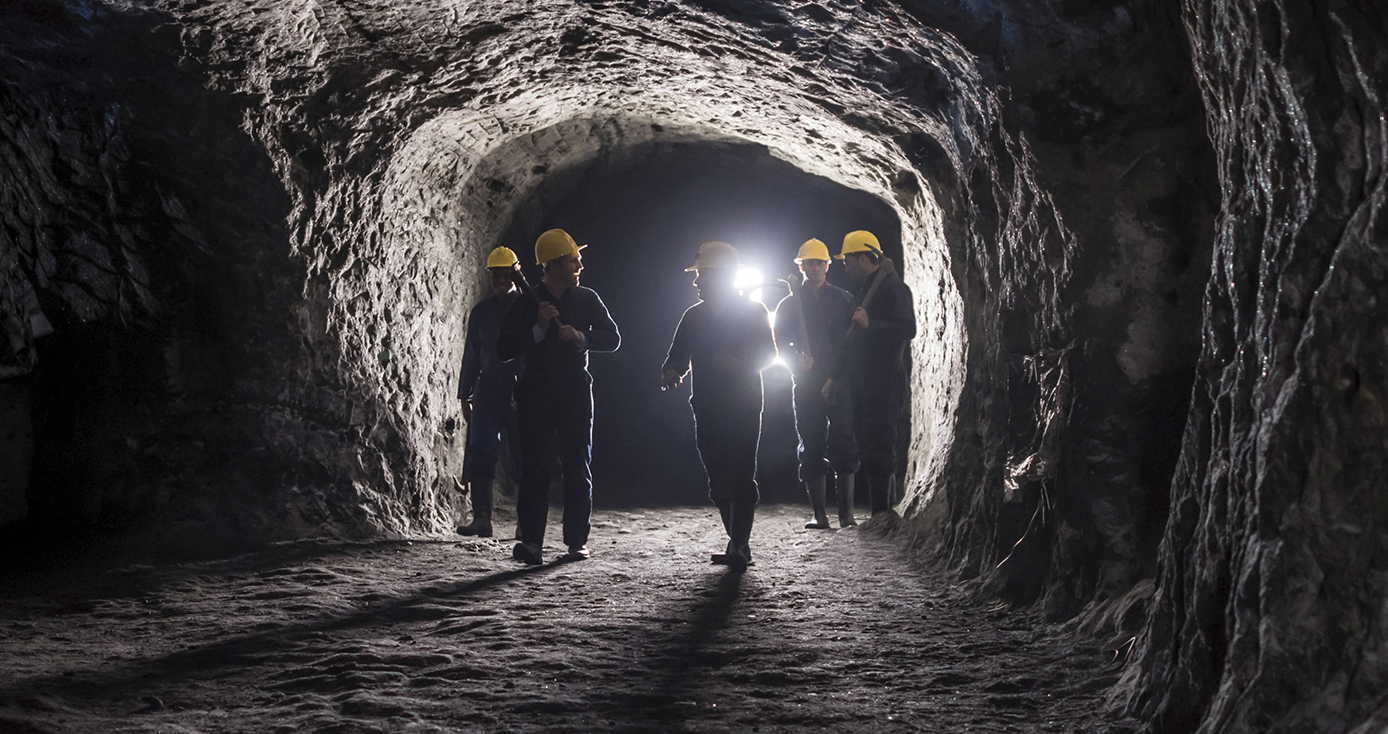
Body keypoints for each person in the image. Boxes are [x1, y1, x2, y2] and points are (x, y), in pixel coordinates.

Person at [498, 229, 620, 565]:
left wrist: (580, 336)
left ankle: (576, 540)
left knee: (576, 465)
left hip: (575, 391)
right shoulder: (526, 302)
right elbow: (504, 348)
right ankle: (531, 543)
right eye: (572, 259)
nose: (580, 263)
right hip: (535, 392)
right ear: (552, 266)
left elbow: (612, 338)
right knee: (534, 467)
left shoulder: (587, 299)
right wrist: (537, 328)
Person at [662, 241, 777, 570]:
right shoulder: (693, 317)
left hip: (743, 405)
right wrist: (672, 371)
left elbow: (770, 355)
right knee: (717, 474)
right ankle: (736, 540)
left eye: (701, 275)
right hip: (707, 405)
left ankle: (740, 542)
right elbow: (677, 355)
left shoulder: (754, 312)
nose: (696, 282)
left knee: (741, 472)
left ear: (720, 276)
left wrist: (739, 363)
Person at [822, 231, 916, 517]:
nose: (845, 268)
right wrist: (834, 377)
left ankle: (881, 514)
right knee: (866, 441)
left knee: (880, 442)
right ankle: (879, 513)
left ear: (863, 258)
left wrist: (869, 323)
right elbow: (849, 341)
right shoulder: (864, 292)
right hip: (863, 382)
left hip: (885, 382)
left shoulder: (892, 288)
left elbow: (907, 328)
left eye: (847, 261)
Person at [774, 238, 860, 529]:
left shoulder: (844, 299)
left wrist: (837, 375)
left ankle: (846, 515)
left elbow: (852, 341)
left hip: (839, 381)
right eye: (807, 263)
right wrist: (795, 359)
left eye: (818, 263)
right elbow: (779, 342)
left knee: (844, 441)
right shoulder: (789, 304)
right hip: (807, 382)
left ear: (827, 265)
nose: (813, 268)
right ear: (801, 267)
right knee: (811, 443)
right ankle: (819, 514)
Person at [456, 246, 525, 538]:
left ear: (515, 272)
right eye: (496, 273)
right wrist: (464, 394)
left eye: (505, 272)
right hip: (487, 389)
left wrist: (528, 390)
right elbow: (472, 354)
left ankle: (526, 523)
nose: (500, 278)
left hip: (520, 390)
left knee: (523, 456)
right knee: (481, 450)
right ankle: (481, 518)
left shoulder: (526, 308)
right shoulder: (481, 312)